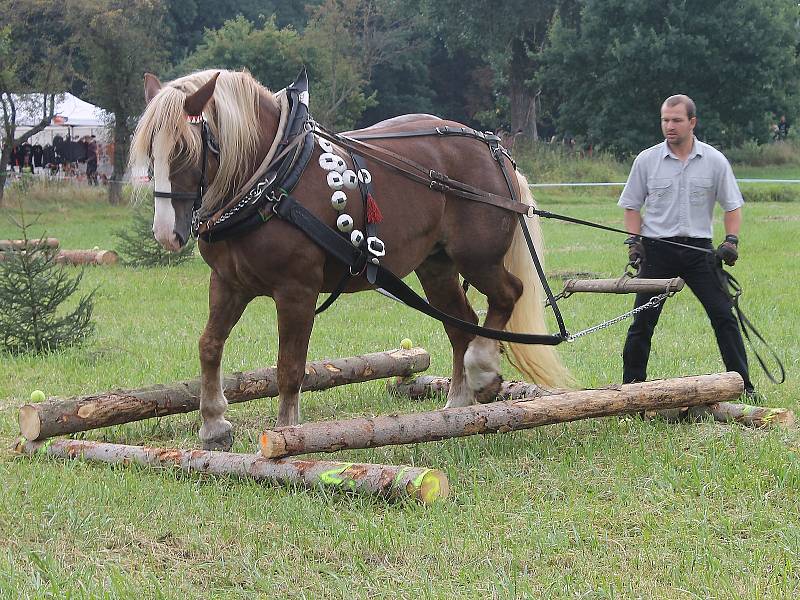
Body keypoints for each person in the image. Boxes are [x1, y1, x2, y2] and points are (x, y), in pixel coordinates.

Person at [618, 94, 754, 396]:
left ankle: (744, 386)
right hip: (657, 251)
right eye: (665, 120)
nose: (669, 126)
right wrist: (634, 241)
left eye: (676, 120)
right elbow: (631, 206)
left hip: (699, 252)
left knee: (724, 317)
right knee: (642, 322)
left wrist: (730, 241)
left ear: (692, 122)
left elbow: (732, 206)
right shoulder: (646, 160)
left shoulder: (715, 161)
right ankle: (631, 389)